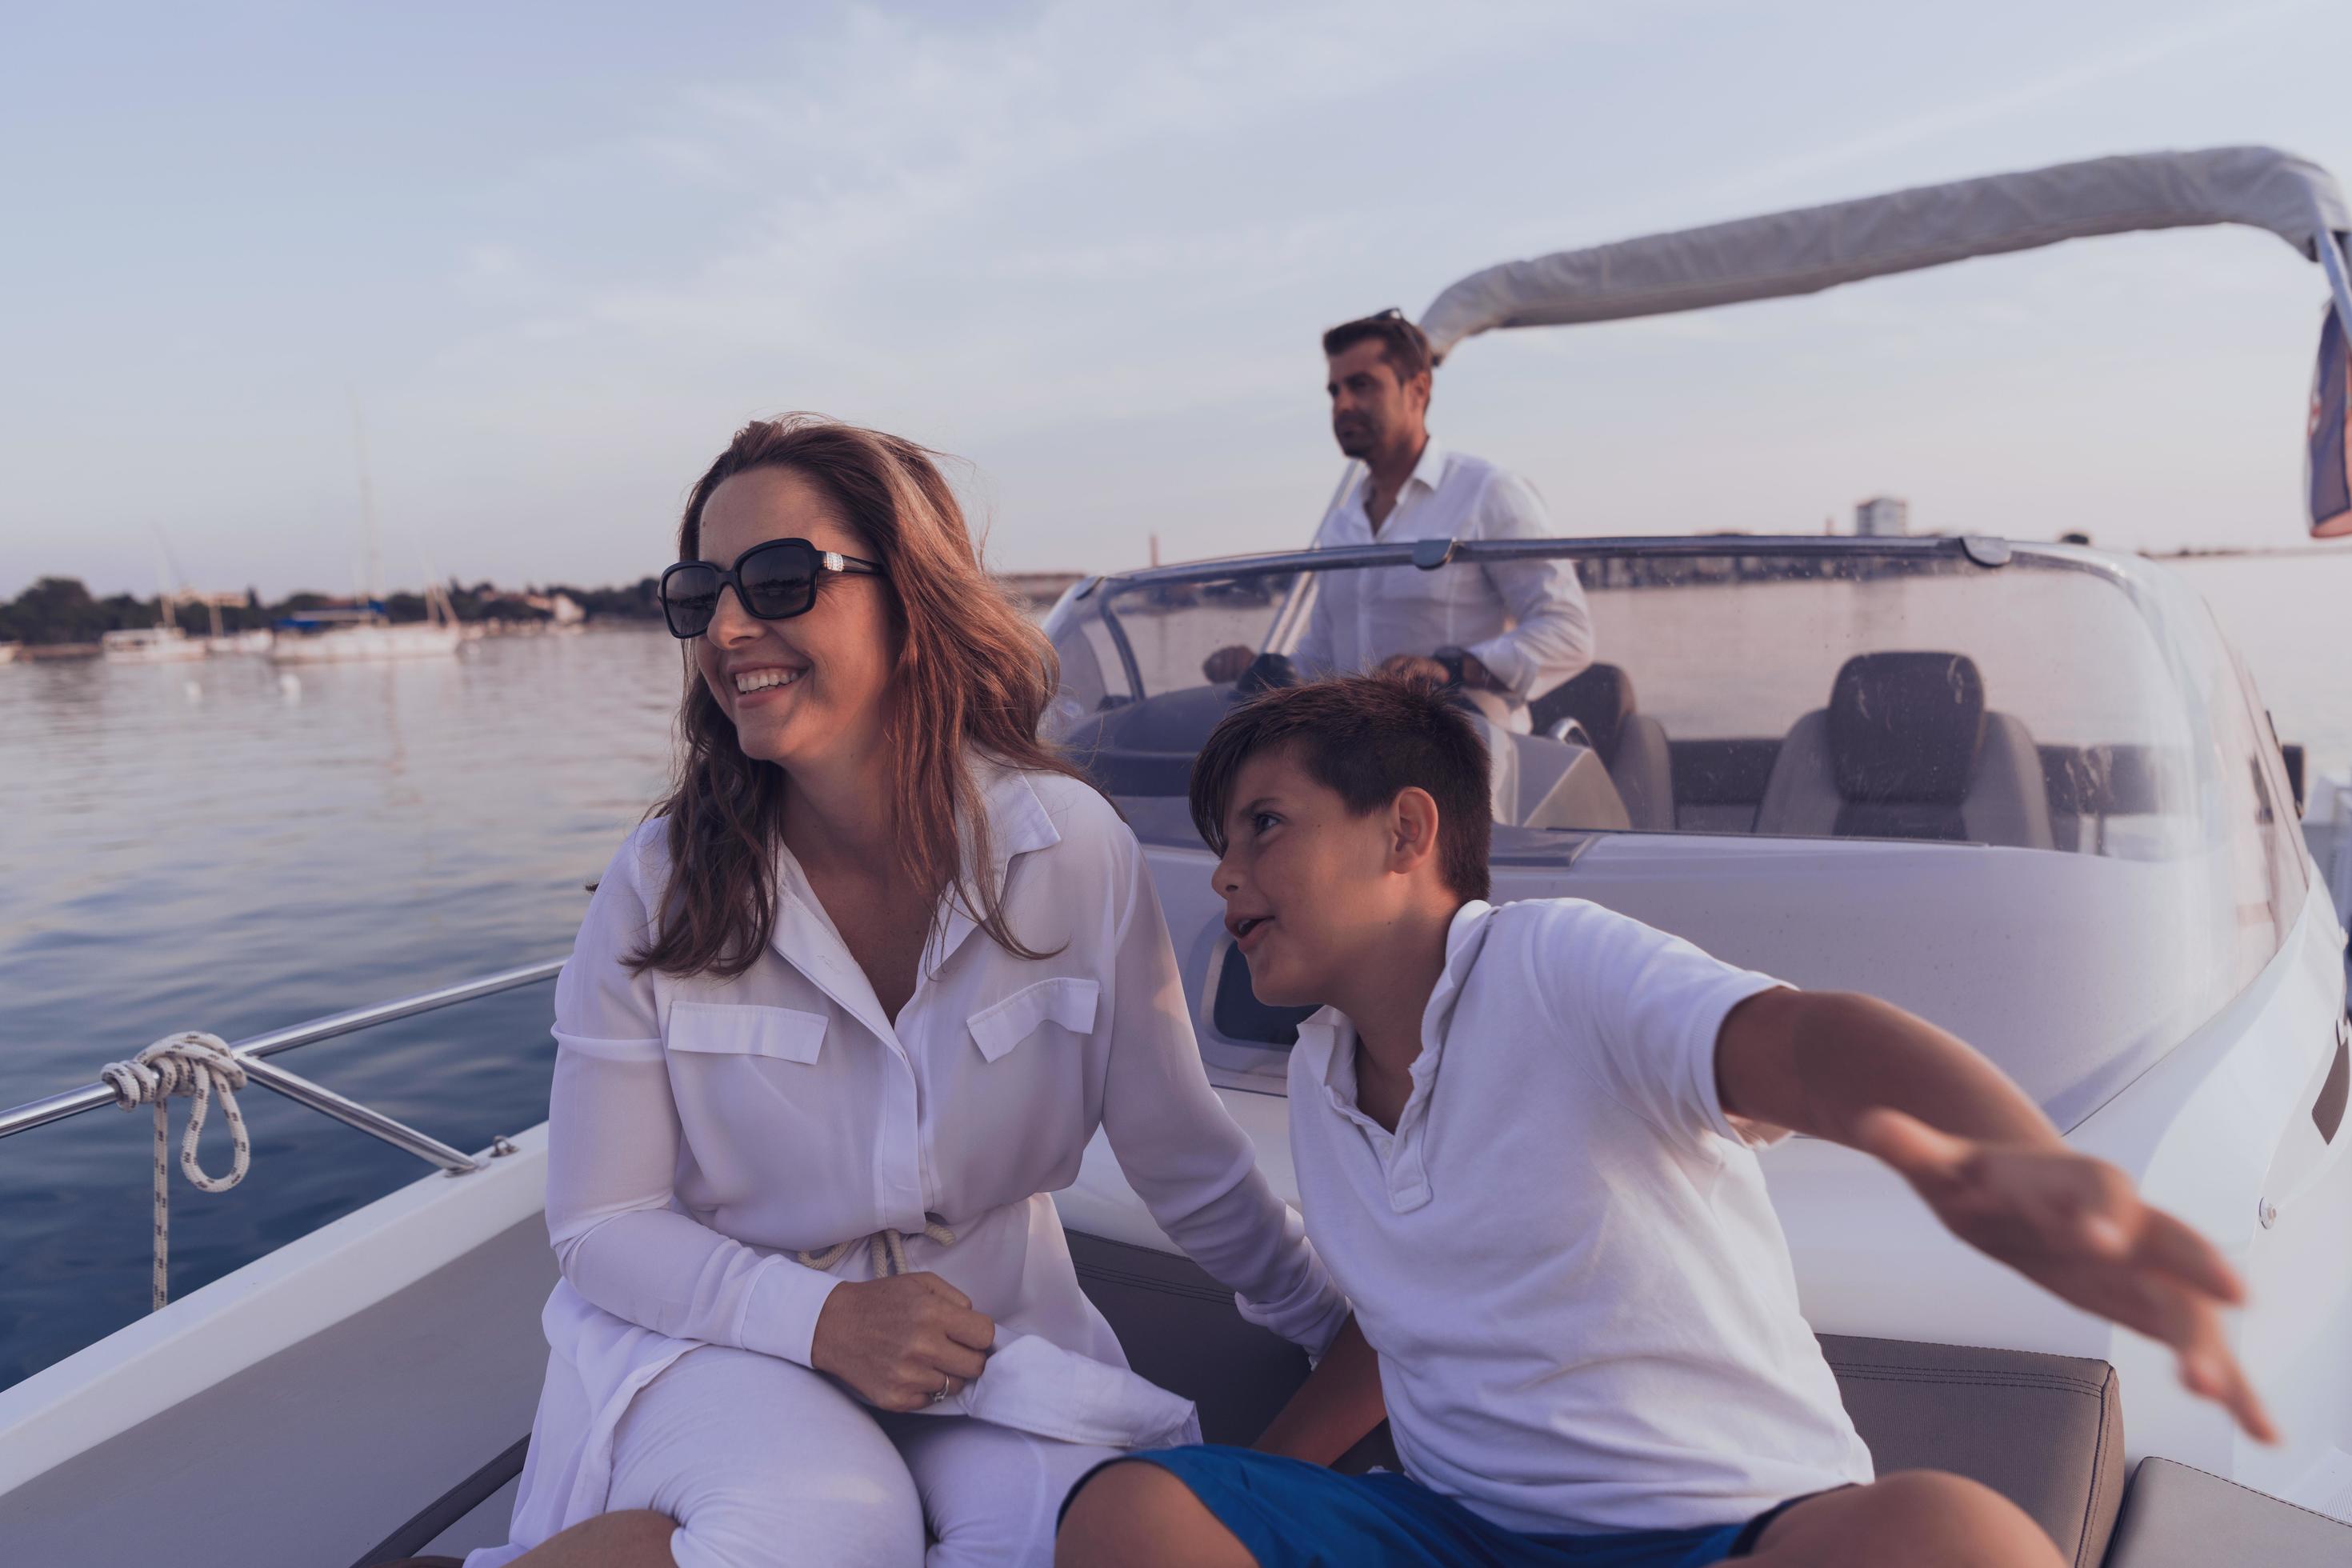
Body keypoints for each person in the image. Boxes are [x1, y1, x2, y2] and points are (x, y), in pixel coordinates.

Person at [1057, 675, 2275, 1568]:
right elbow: (1398, 1329)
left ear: (1406, 832)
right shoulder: (1323, 1083)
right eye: (1218, 846)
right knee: (1130, 1515)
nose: (1224, 875)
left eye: (1265, 825)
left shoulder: (1551, 965)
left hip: (1731, 1530)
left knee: (1953, 1538)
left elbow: (1804, 1044)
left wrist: (2008, 1161)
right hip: (1464, 1538)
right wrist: (1256, 1488)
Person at [453, 418, 1345, 1568]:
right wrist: (818, 1323)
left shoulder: (1070, 851)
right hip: (722, 1338)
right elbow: (602, 1223)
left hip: (990, 1335)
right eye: (699, 593)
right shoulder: (662, 882)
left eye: (778, 581)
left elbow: (1181, 1149)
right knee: (826, 1530)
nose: (728, 629)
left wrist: (1336, 1327)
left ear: (911, 601)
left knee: (1057, 1542)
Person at [1202, 310, 1593, 731]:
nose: (1342, 404)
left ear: (1418, 390)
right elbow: (1325, 656)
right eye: (1335, 391)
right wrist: (1261, 669)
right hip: (1356, 758)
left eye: (1362, 385)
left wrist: (1451, 669)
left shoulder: (1488, 492)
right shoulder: (1343, 522)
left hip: (1473, 753)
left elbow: (1569, 633)